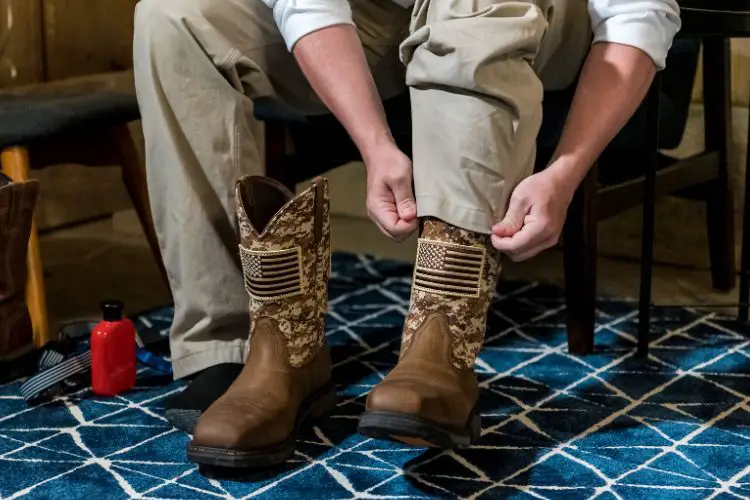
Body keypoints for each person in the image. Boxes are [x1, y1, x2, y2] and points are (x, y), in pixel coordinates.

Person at [133, 0, 680, 467]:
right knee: (174, 16)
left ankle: (439, 348)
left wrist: (565, 170)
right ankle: (261, 344)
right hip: (383, 15)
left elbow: (638, 12)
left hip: (538, 18)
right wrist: (375, 142)